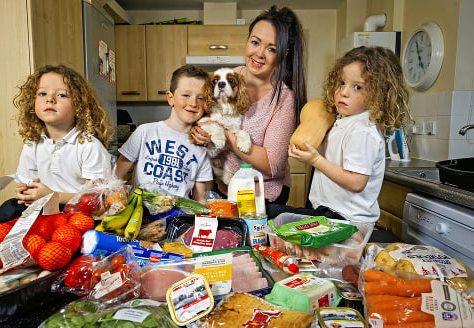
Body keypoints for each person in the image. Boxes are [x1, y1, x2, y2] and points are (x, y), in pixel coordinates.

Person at [0, 64, 113, 272]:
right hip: (40, 211)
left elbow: (96, 200)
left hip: (72, 215)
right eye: (42, 93)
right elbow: (28, 181)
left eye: (62, 95)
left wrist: (53, 195)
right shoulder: (33, 143)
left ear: (80, 106)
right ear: (33, 103)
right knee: (10, 209)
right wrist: (25, 191)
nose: (50, 99)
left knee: (63, 245)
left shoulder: (89, 145)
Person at [272, 46, 412, 224]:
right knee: (271, 216)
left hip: (347, 220)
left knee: (271, 215)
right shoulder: (342, 121)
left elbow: (356, 182)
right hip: (329, 213)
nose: (344, 92)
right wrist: (308, 153)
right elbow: (331, 160)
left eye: (357, 87)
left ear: (379, 94)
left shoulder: (363, 130)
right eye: (341, 83)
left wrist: (316, 161)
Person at [191, 6, 307, 206]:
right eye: (255, 42)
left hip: (264, 195)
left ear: (283, 54)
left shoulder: (284, 99)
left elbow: (271, 164)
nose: (259, 54)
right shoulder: (226, 78)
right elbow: (202, 118)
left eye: (271, 48)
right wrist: (197, 132)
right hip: (223, 189)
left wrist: (226, 136)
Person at [114, 64, 213, 203]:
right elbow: (115, 177)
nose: (193, 103)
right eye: (186, 95)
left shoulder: (201, 149)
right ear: (170, 98)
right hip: (140, 217)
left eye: (201, 98)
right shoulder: (145, 132)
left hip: (178, 220)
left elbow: (199, 198)